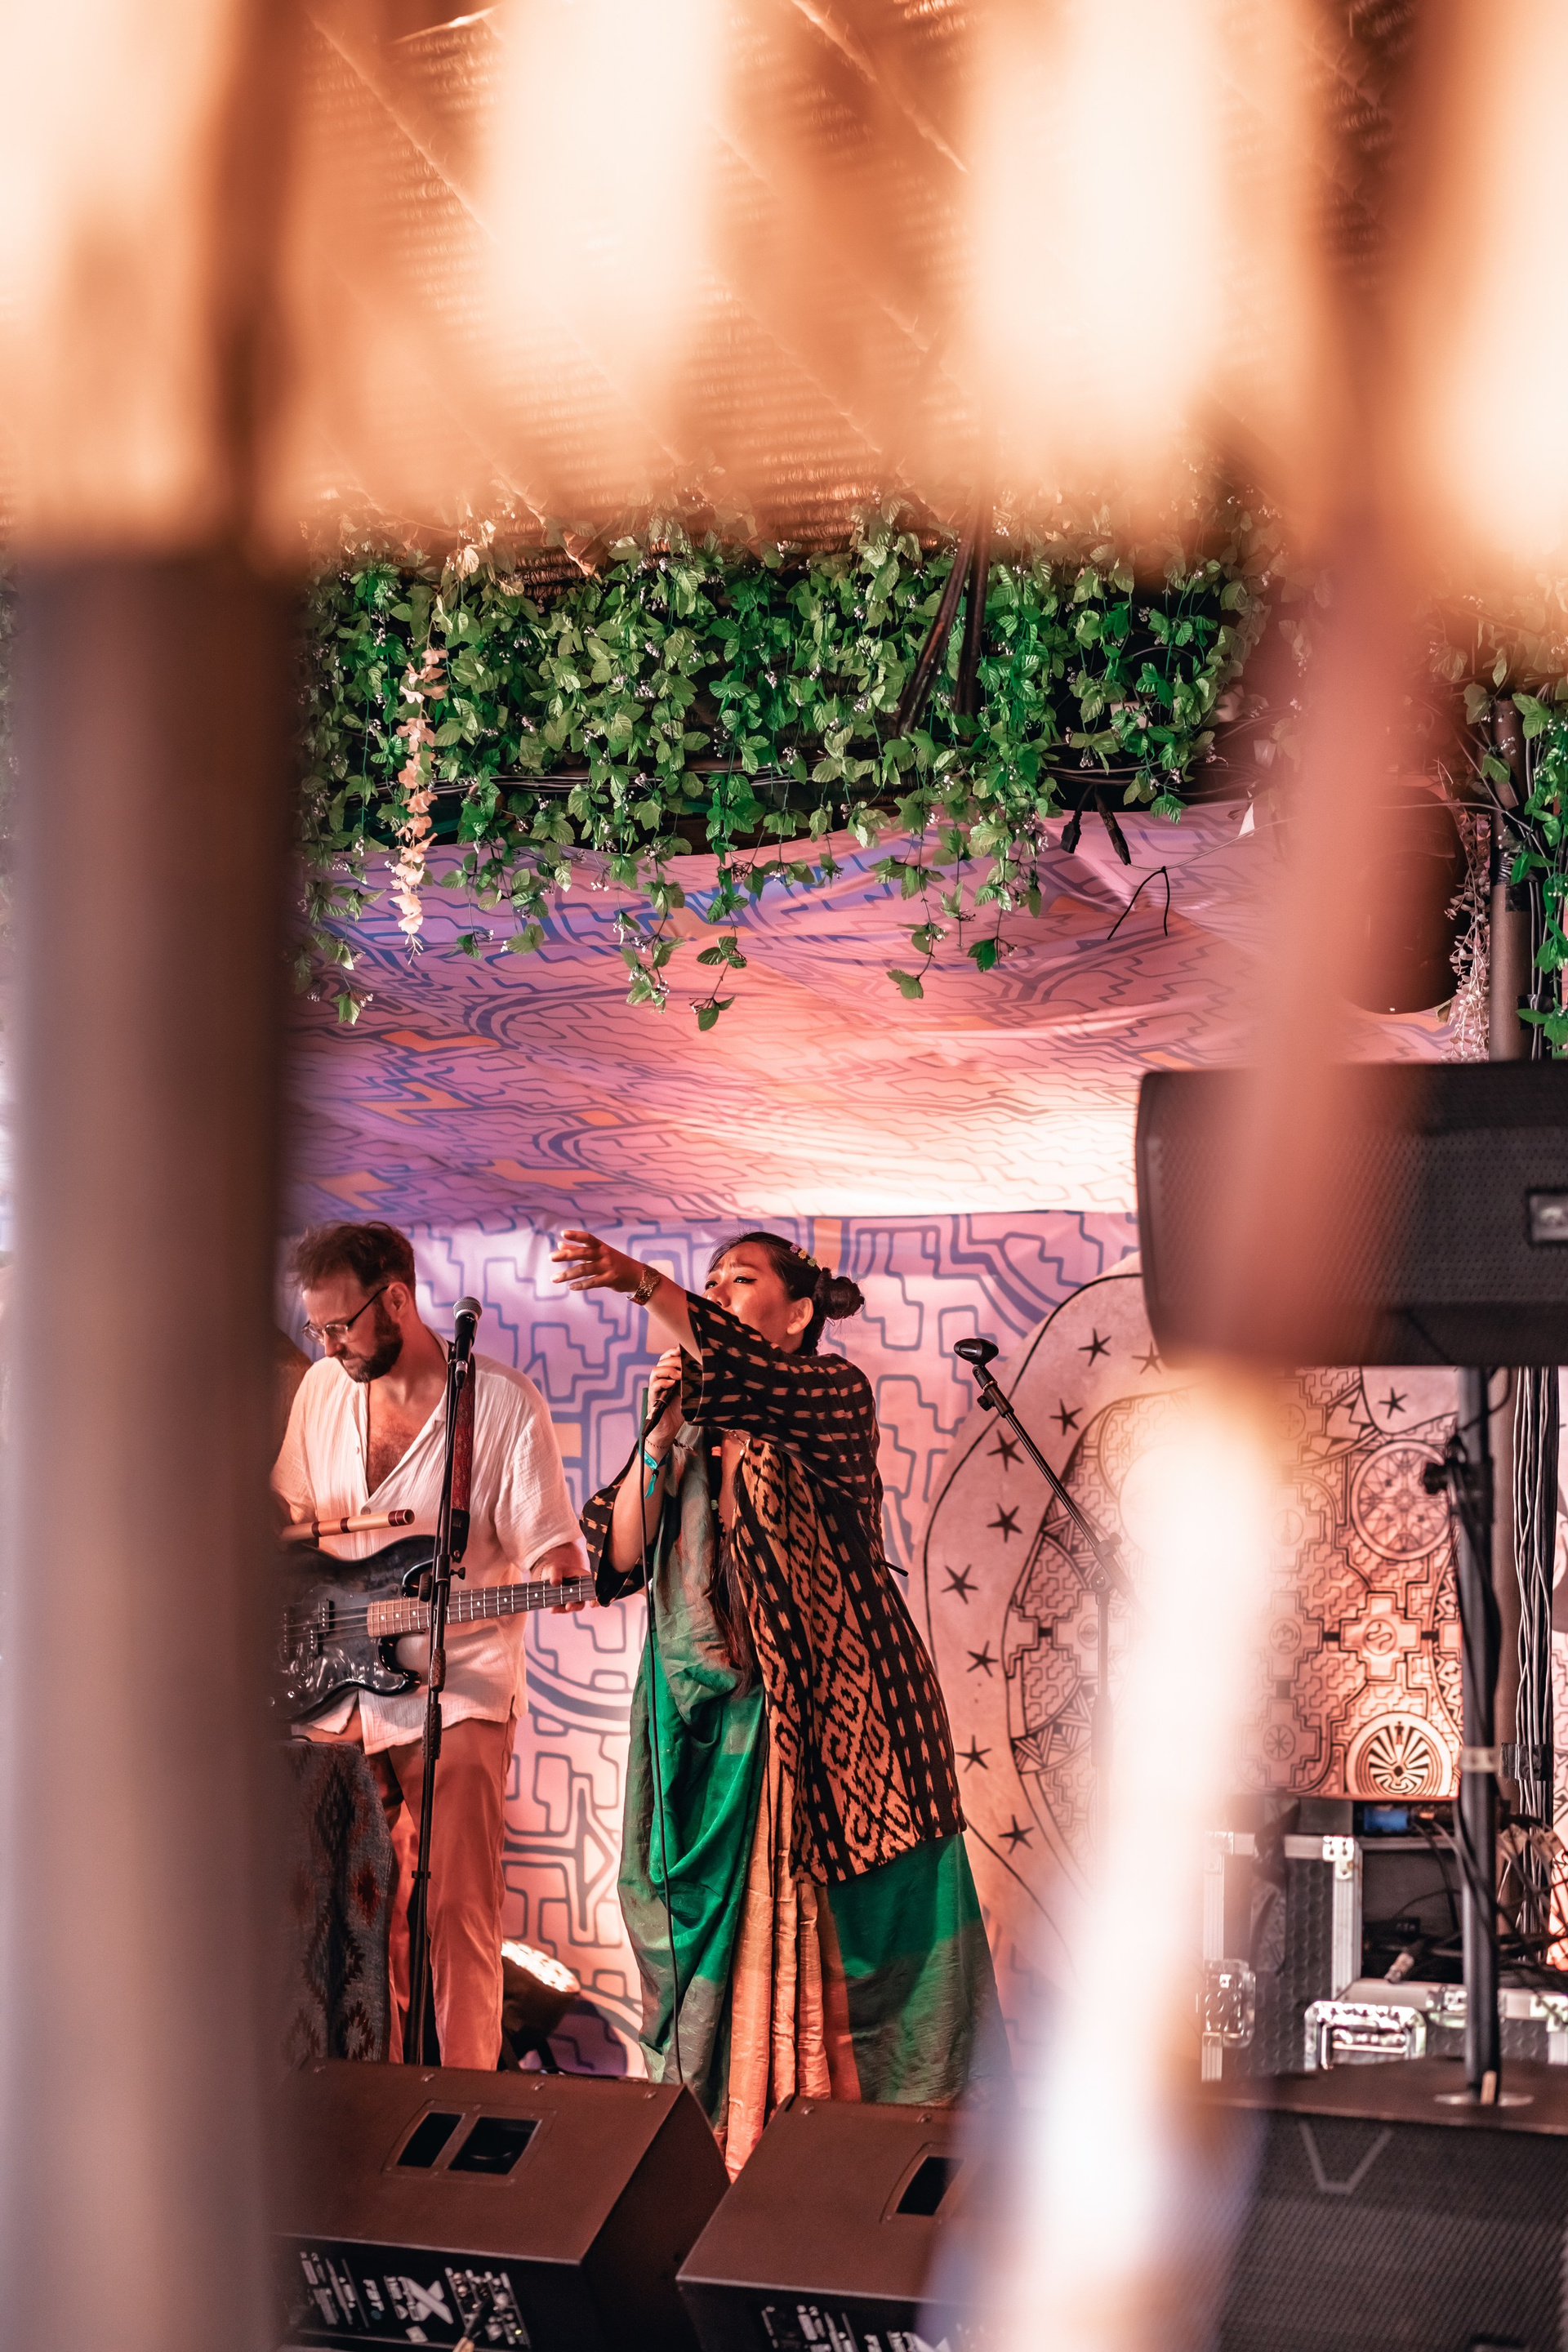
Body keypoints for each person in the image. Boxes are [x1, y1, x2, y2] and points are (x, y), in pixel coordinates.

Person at [555, 1226, 1009, 2174]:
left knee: (867, 1968)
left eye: (741, 1279)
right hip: (708, 1737)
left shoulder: (831, 1398)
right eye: (711, 1281)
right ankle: (726, 2164)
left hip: (842, 1738)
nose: (718, 1292)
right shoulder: (685, 1420)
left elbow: (755, 1376)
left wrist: (642, 1282)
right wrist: (662, 1435)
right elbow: (621, 1556)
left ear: (798, 1313)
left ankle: (860, 2174)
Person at [274, 1220, 585, 2068]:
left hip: (460, 1684)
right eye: (317, 1328)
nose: (328, 1346)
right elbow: (293, 1514)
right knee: (337, 1905)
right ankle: (356, 2087)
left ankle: (467, 2095)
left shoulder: (501, 1403)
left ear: (397, 1301)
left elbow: (551, 1545)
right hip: (337, 1682)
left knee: (457, 1910)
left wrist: (560, 1571)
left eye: (341, 1326)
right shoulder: (322, 1391)